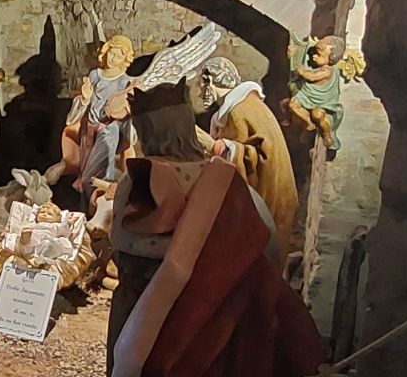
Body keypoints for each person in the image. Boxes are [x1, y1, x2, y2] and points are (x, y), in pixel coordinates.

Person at [105, 79, 324, 377]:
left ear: (146, 130)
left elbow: (122, 244)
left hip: (144, 310)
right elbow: (261, 244)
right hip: (213, 310)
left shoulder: (139, 177)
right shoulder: (223, 178)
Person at [192, 57, 301, 274]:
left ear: (210, 81)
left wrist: (216, 146)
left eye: (201, 86)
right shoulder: (236, 108)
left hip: (267, 197)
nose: (200, 93)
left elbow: (258, 157)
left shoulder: (241, 110)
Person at [62, 35, 140, 207]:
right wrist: (84, 98)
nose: (113, 58)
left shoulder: (125, 82)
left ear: (125, 59)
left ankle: (100, 212)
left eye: (118, 56)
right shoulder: (95, 75)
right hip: (88, 131)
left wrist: (126, 111)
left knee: (95, 176)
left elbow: (127, 114)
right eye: (112, 53)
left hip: (108, 133)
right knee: (84, 175)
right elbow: (84, 103)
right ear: (106, 52)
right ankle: (86, 212)